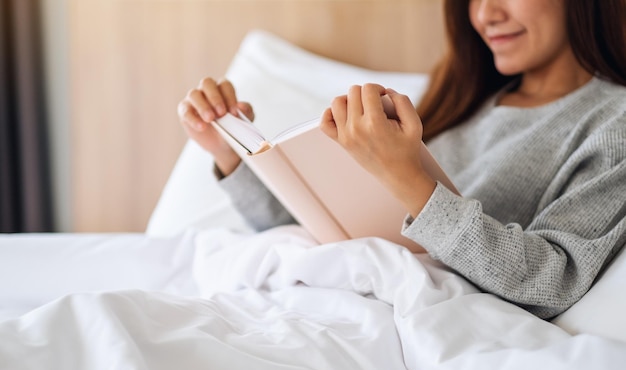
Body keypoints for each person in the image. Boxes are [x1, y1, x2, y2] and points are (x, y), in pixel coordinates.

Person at [177, 0, 626, 319]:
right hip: (328, 297)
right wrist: (226, 150)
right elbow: (327, 230)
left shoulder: (612, 122)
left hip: (399, 322)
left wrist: (407, 178)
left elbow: (553, 280)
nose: (486, 13)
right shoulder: (459, 97)